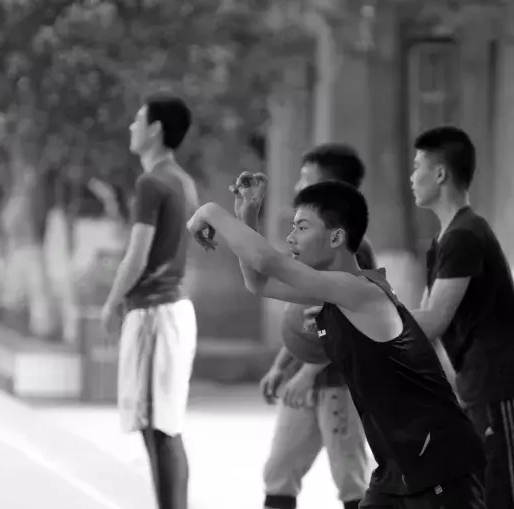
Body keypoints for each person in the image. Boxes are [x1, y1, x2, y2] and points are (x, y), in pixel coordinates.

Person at [187, 180, 486, 508]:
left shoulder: (362, 290)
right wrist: (248, 215)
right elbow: (258, 281)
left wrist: (210, 211)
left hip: (441, 466)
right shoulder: (331, 292)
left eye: (302, 227)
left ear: (336, 237)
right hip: (396, 471)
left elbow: (269, 261)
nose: (290, 237)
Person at [241, 144, 373, 509]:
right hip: (303, 381)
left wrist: (308, 374)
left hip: (340, 386)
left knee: (351, 480)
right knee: (279, 472)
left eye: (306, 177)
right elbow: (305, 321)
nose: (298, 183)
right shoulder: (307, 244)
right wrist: (283, 366)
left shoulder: (353, 251)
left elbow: (348, 322)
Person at [101, 94, 199, 509]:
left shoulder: (151, 182)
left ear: (156, 129)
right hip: (172, 310)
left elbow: (137, 254)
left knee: (158, 427)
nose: (131, 127)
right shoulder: (182, 180)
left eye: (137, 119)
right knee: (162, 425)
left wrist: (111, 302)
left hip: (155, 313)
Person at [410, 126, 514, 509]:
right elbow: (423, 325)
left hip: (498, 389)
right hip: (473, 389)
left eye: (418, 165)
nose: (411, 176)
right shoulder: (442, 240)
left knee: (500, 495)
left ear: (440, 174)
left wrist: (362, 312)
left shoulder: (466, 234)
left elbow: (434, 319)